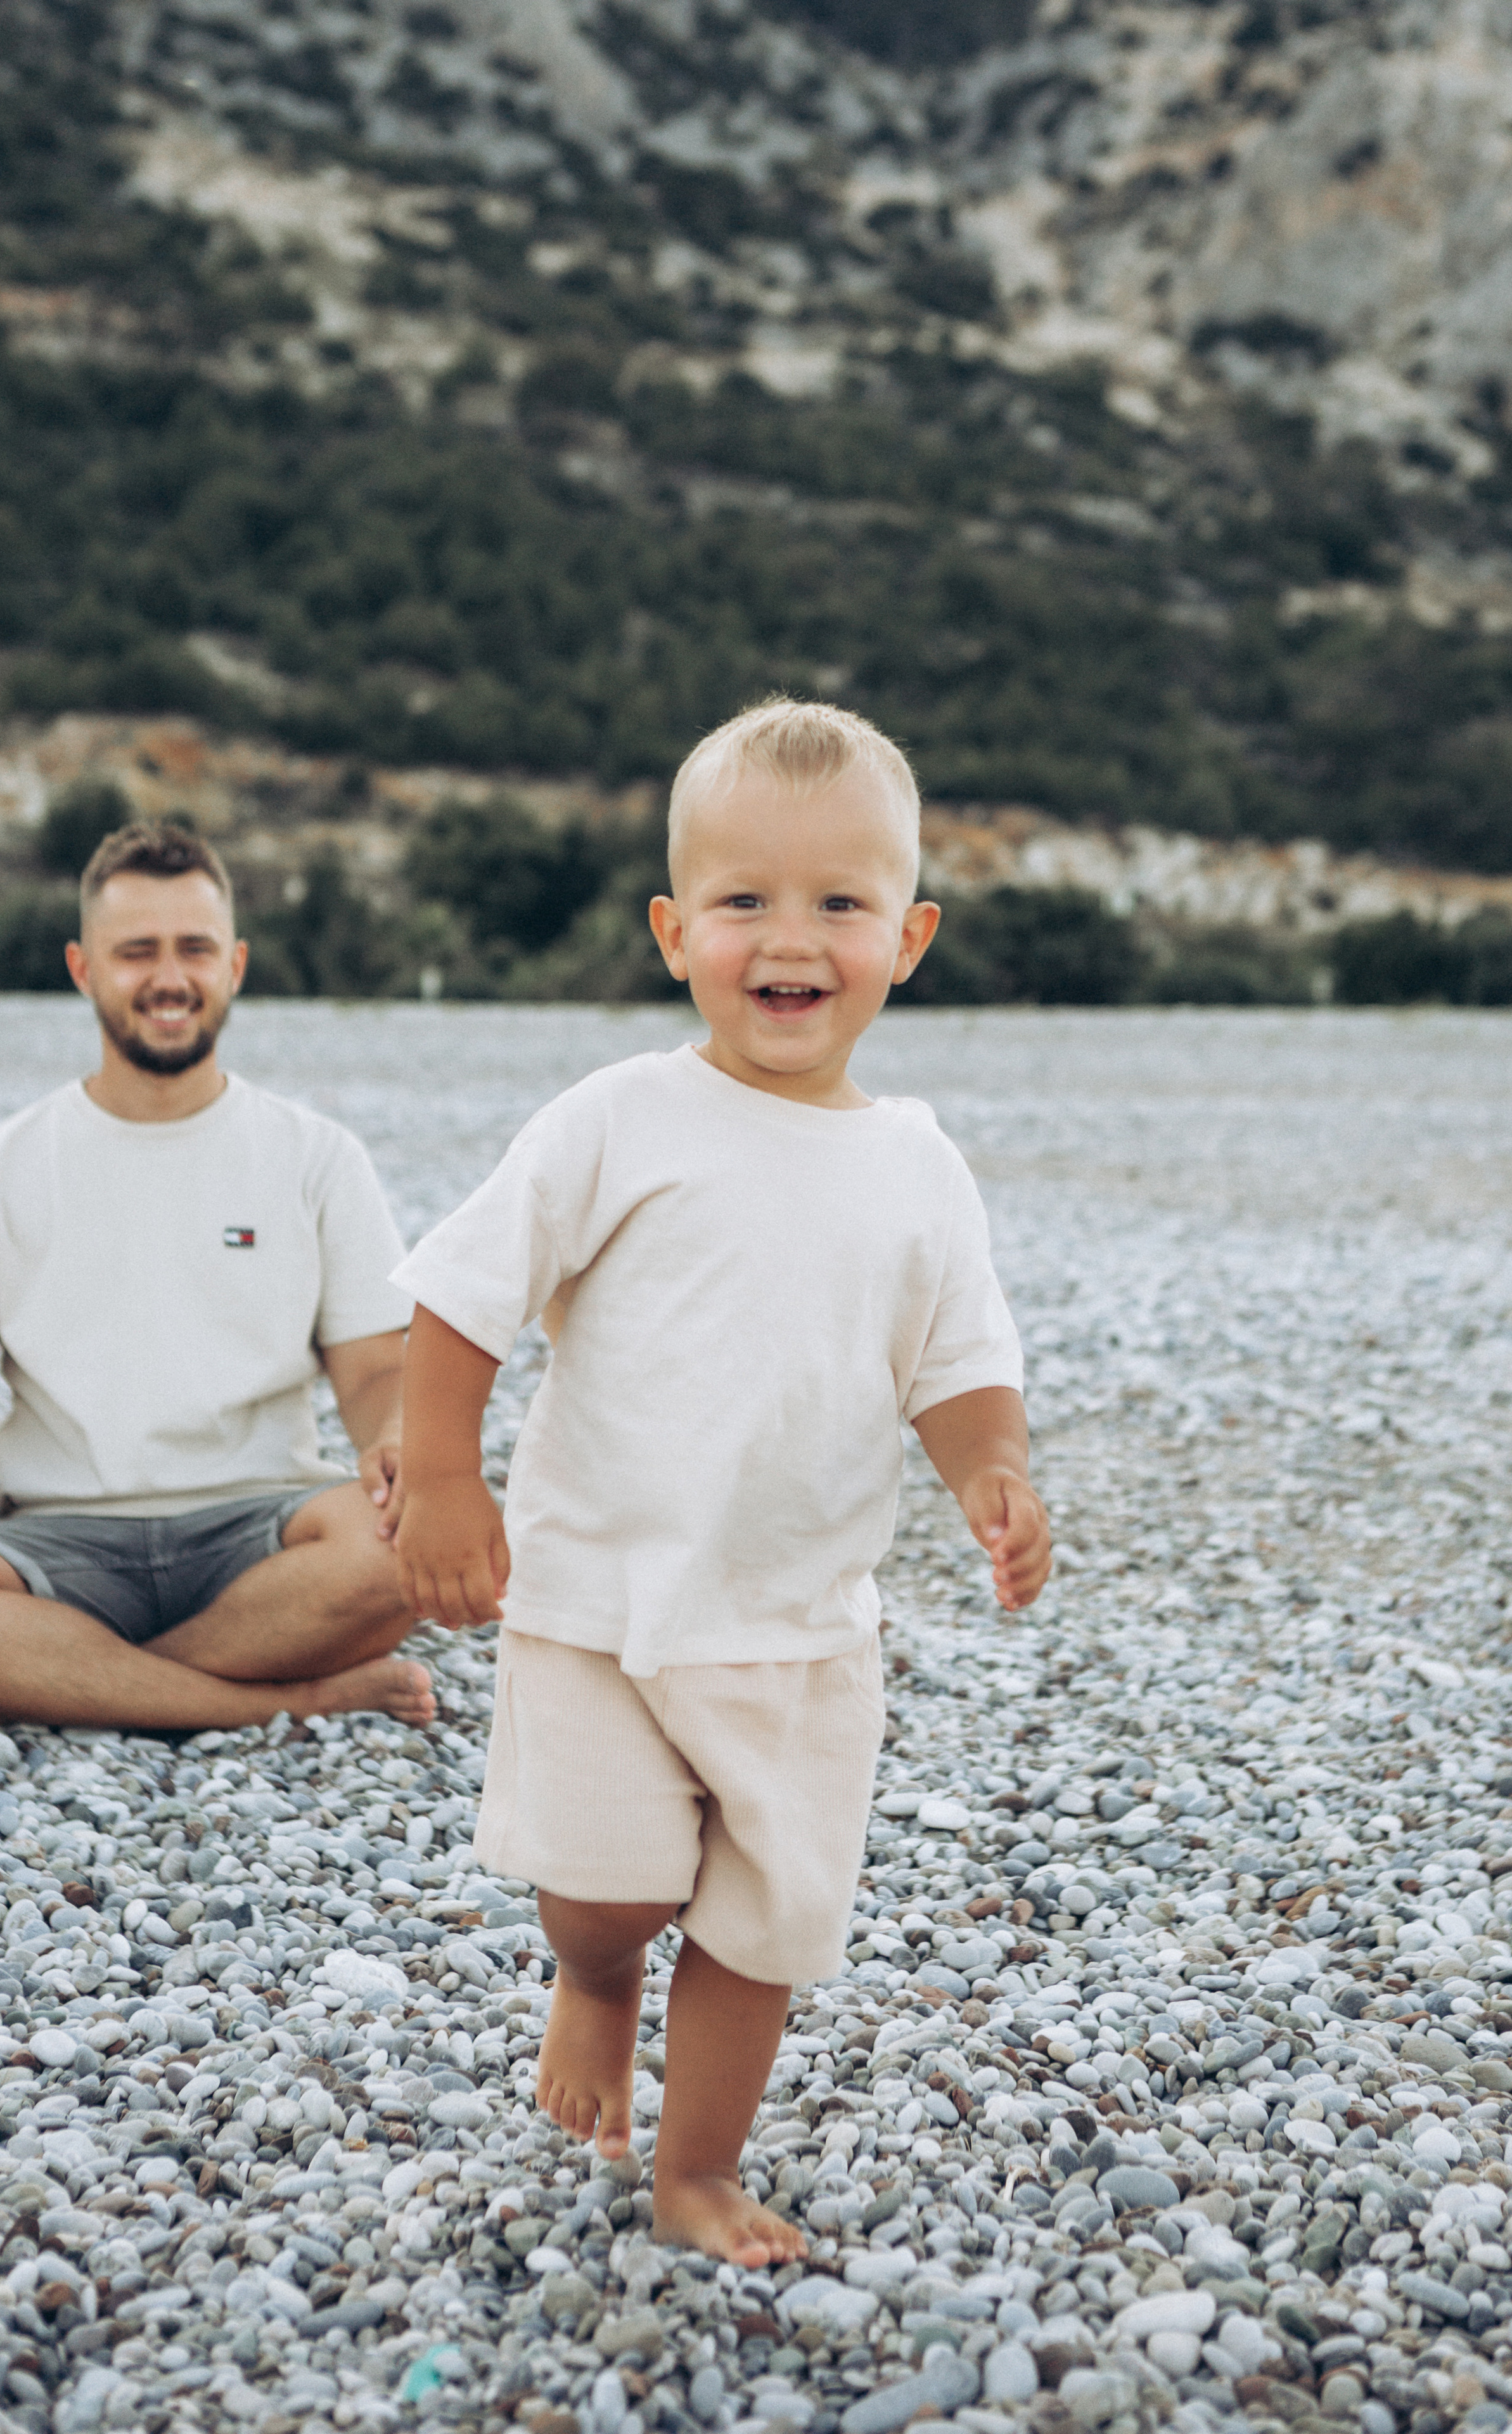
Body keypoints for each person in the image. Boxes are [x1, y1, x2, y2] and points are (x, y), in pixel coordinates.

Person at [388, 699, 1051, 2265]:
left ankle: (695, 2171)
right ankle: (598, 1981)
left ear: (912, 934)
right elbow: (460, 1297)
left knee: (764, 1928)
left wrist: (993, 1474)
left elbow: (956, 1362)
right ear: (673, 929)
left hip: (803, 1627)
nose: (789, 939)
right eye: (744, 900)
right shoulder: (617, 1121)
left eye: (840, 902)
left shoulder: (916, 1164)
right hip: (602, 1601)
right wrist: (441, 1481)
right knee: (607, 1891)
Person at [0, 820, 435, 1732]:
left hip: (264, 1532)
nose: (169, 978)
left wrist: (398, 1440)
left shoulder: (316, 1157)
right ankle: (287, 1698)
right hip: (56, 1538)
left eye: (195, 949)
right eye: (136, 952)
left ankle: (51, 1678)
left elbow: (377, 1371)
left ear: (236, 964)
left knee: (412, 1545)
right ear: (83, 967)